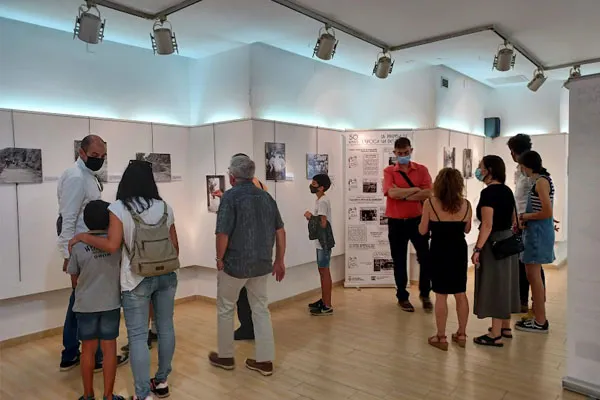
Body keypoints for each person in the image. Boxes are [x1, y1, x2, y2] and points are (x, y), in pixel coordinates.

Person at [70, 160, 179, 400]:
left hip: (136, 279)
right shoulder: (165, 207)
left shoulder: (119, 208)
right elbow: (175, 247)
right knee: (166, 328)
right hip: (166, 276)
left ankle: (143, 394)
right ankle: (161, 381)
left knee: (138, 337)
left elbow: (111, 245)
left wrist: (84, 238)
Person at [208, 155, 286, 377]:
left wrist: (219, 259)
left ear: (232, 177)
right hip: (262, 264)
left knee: (225, 308)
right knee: (261, 309)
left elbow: (222, 233)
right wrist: (279, 260)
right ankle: (265, 360)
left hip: (235, 265)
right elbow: (280, 231)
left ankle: (226, 356)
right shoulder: (266, 197)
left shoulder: (230, 198)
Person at [57, 135, 128, 371]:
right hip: (83, 249)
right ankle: (96, 357)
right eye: (95, 155)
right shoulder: (76, 177)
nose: (100, 159)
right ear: (82, 152)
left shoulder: (88, 175)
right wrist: (67, 254)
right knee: (89, 302)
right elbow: (68, 218)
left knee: (79, 301)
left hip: (89, 244)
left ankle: (72, 353)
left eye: (103, 156)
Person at [67, 200, 125, 400]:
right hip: (110, 303)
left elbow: (74, 280)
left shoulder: (77, 246)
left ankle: (88, 395)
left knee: (87, 350)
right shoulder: (115, 244)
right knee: (109, 350)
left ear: (86, 220)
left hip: (85, 306)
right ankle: (108, 396)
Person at [212, 153, 269, 341]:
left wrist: (219, 258)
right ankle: (257, 337)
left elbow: (224, 232)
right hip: (259, 254)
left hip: (241, 256)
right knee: (256, 302)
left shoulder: (244, 191)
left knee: (235, 302)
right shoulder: (260, 190)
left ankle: (244, 332)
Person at [418, 168, 471, 351]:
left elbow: (423, 230)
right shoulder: (466, 204)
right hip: (459, 251)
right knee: (460, 293)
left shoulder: (430, 203)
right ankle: (462, 334)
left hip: (439, 250)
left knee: (440, 294)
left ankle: (441, 337)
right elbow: (467, 230)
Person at [471, 156, 521, 347]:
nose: (478, 170)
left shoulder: (488, 193)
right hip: (508, 241)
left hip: (494, 243)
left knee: (495, 286)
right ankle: (505, 327)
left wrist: (477, 248)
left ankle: (495, 334)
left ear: (489, 170)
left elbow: (487, 225)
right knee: (506, 283)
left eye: (480, 167)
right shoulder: (507, 190)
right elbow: (514, 219)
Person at [383, 137, 433, 312]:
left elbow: (428, 193)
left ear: (411, 150)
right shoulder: (389, 171)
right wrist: (415, 190)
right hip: (396, 222)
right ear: (395, 153)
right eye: (399, 153)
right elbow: (391, 193)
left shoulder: (422, 170)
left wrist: (402, 193)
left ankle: (425, 294)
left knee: (425, 258)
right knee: (399, 259)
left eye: (406, 152)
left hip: (417, 220)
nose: (403, 156)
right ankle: (402, 297)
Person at [507, 134, 548, 315]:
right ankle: (523, 301)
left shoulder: (535, 177)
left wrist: (528, 217)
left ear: (514, 152)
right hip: (521, 221)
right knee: (523, 265)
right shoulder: (521, 171)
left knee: (534, 267)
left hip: (529, 222)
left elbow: (542, 202)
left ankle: (537, 305)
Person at [515, 151, 554, 334]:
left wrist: (525, 216)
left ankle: (540, 320)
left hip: (537, 234)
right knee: (533, 276)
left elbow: (547, 211)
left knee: (534, 277)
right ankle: (539, 317)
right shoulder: (539, 181)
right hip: (534, 232)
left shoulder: (541, 182)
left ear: (526, 166)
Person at [304, 174, 335, 316]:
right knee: (322, 271)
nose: (312, 185)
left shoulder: (322, 201)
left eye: (314, 184)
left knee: (324, 271)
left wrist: (310, 217)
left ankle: (327, 305)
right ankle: (324, 300)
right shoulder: (320, 200)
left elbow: (323, 223)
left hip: (324, 243)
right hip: (321, 242)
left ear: (321, 187)